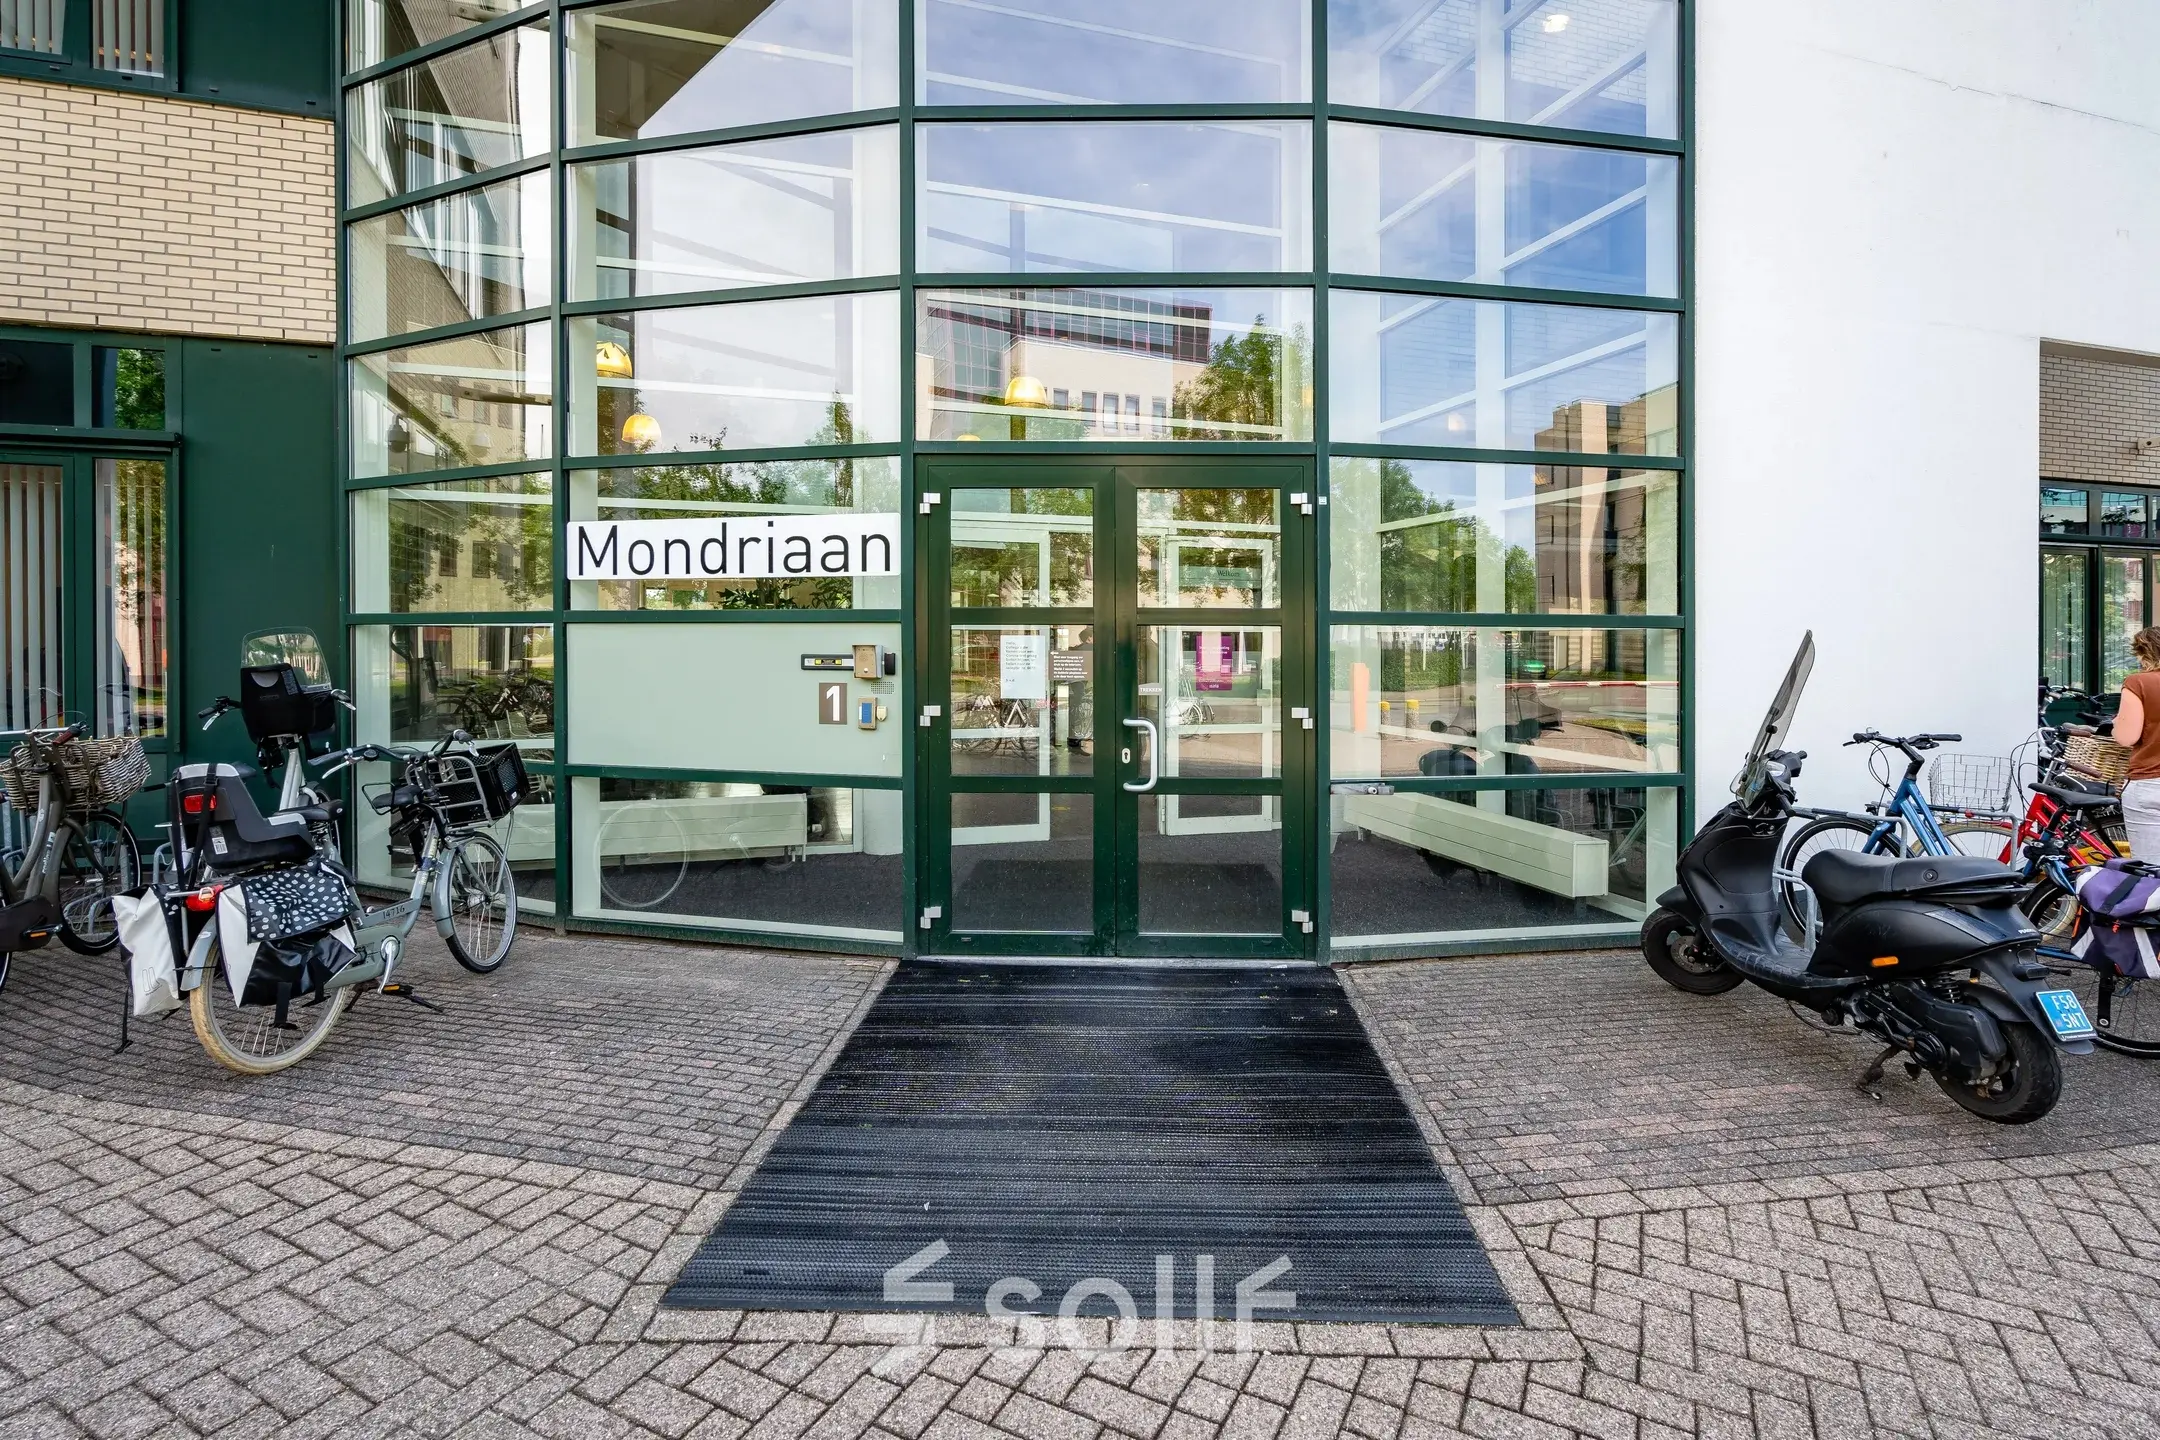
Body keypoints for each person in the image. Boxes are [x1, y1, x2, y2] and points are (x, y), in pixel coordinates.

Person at [2112, 626, 2160, 859]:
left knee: (2151, 871)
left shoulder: (2139, 683)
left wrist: (2116, 725)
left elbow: (2127, 737)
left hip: (2150, 782)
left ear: (2145, 653)